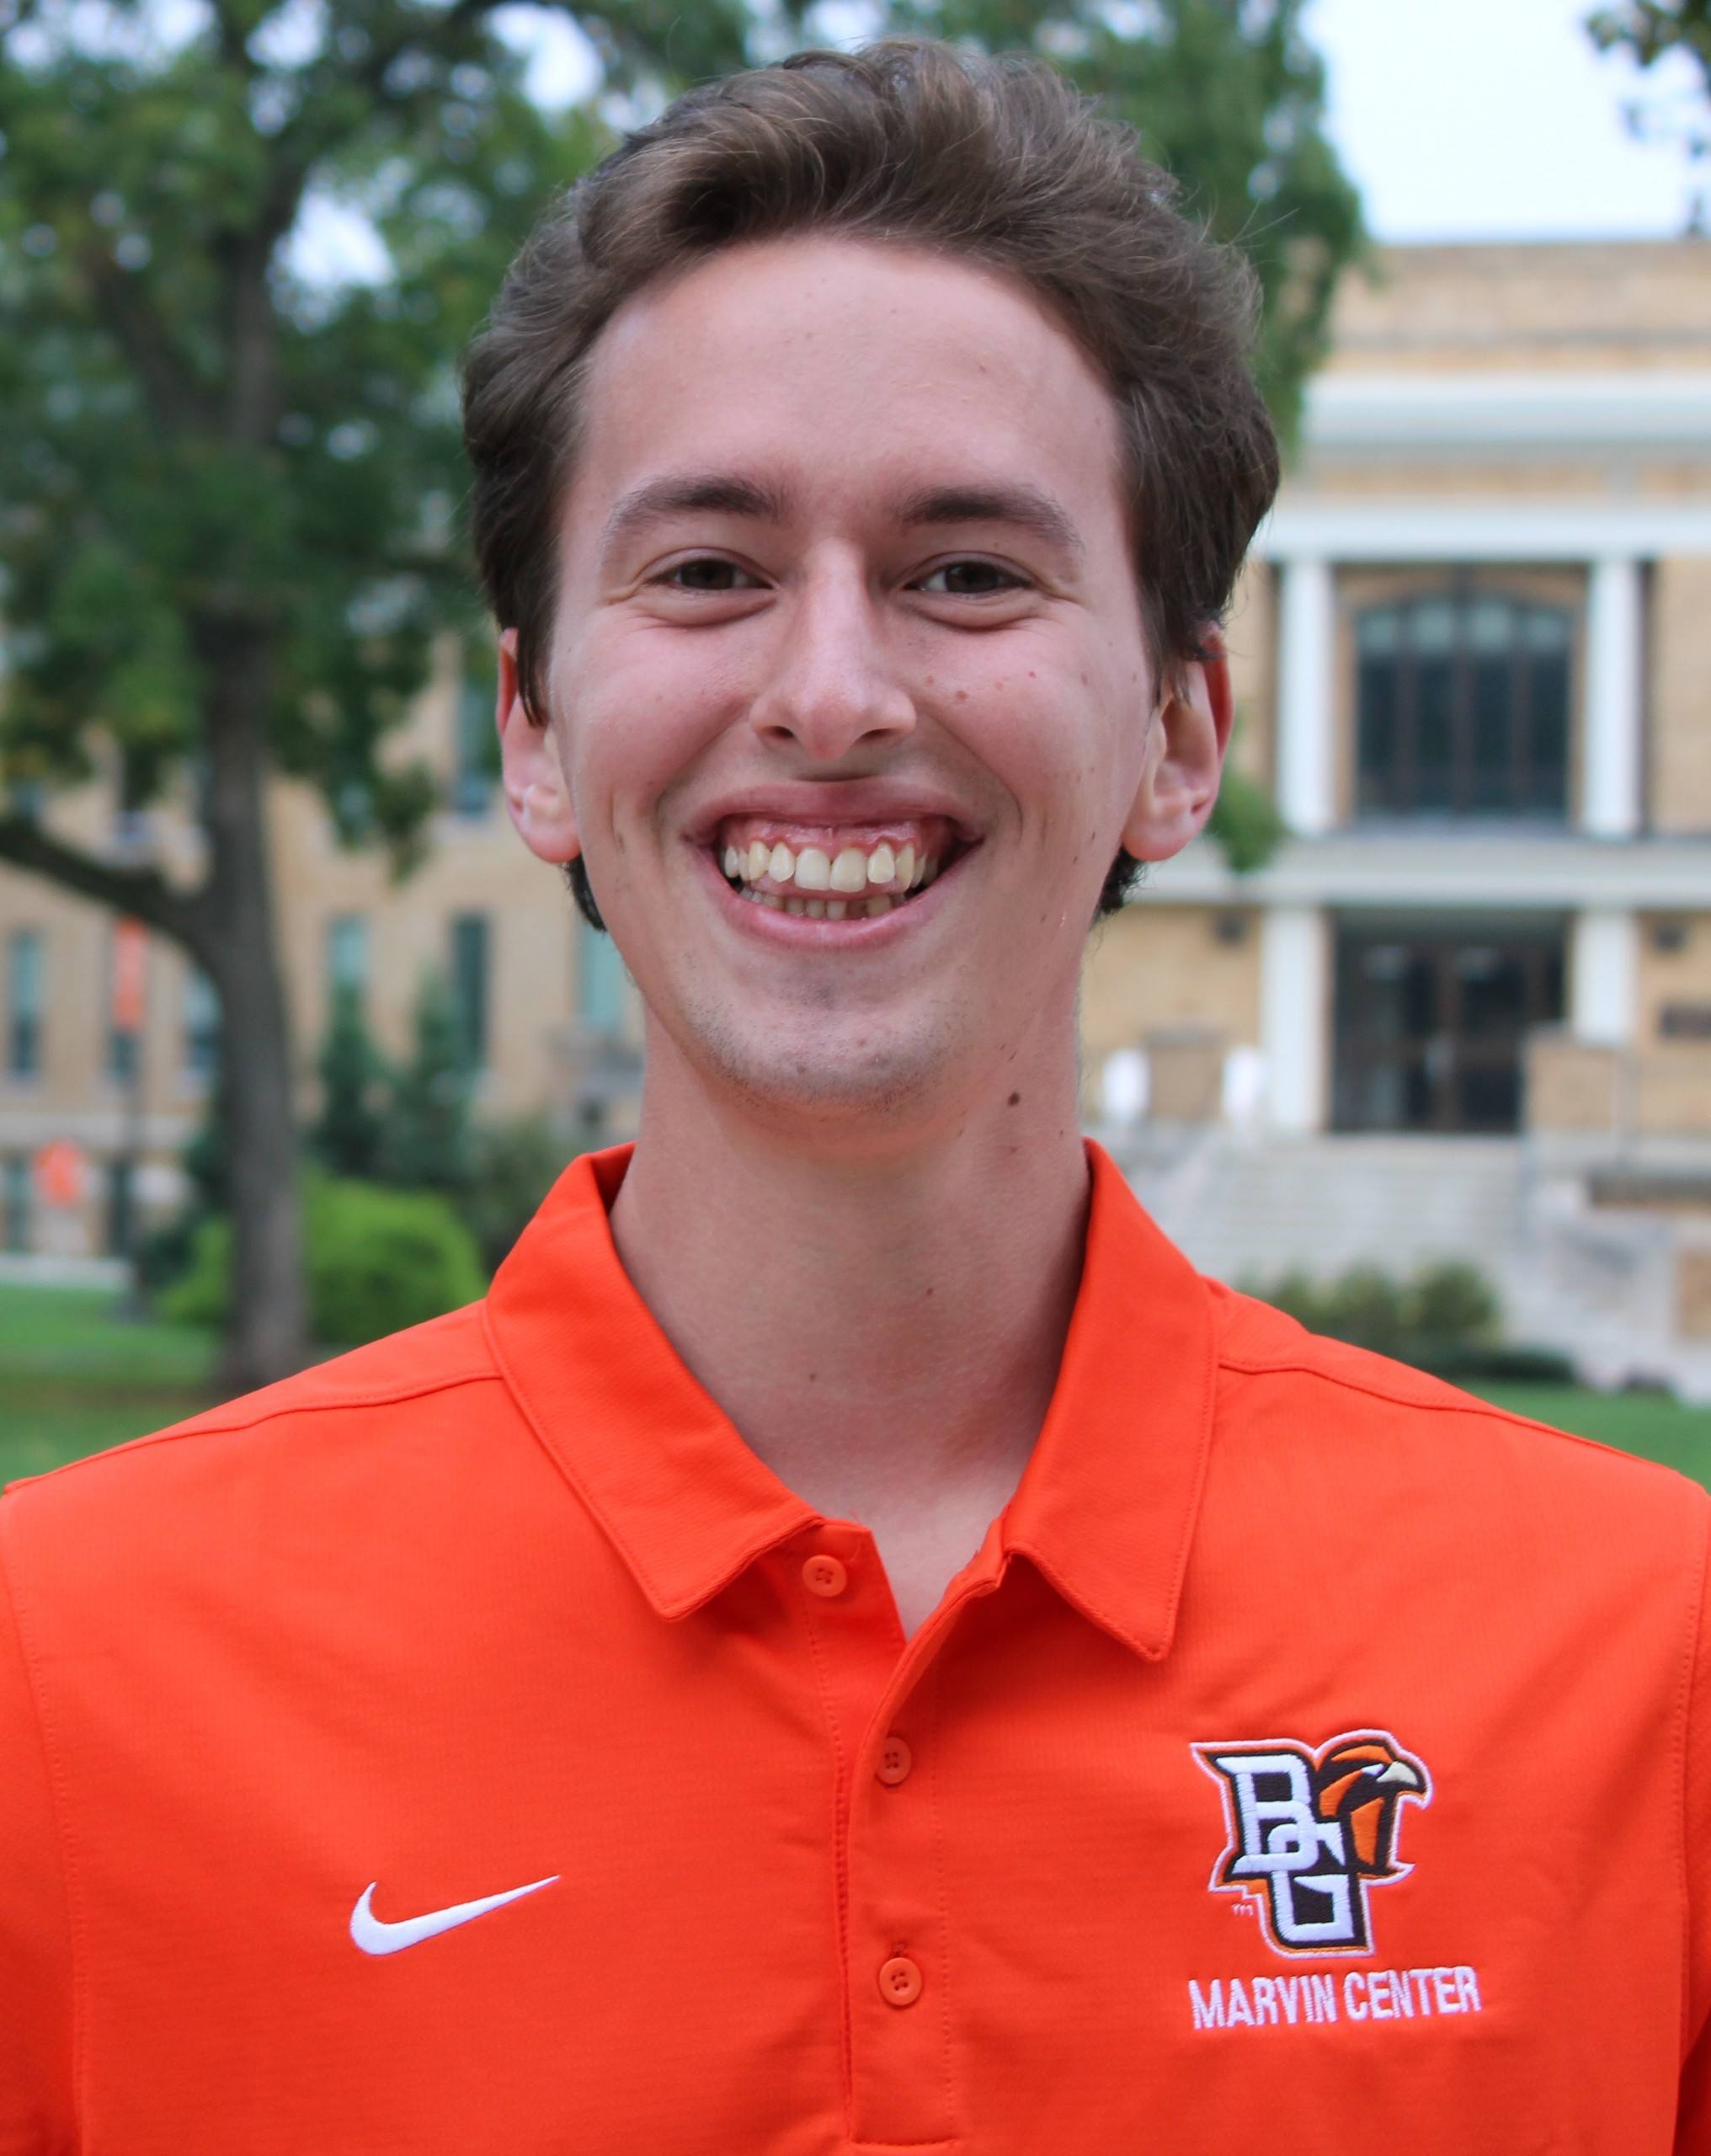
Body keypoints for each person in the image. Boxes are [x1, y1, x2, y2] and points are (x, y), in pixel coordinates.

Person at [1, 36, 1708, 2153]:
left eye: (965, 571)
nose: (828, 695)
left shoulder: (1641, 1664)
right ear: (531, 729)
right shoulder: (66, 1679)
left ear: (1179, 734)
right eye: (707, 570)